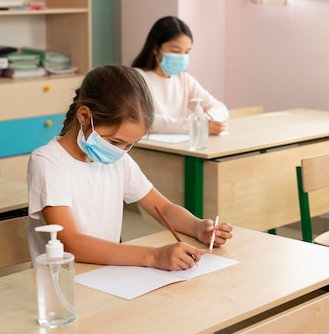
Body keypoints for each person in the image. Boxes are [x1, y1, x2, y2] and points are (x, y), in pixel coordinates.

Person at [27, 65, 233, 270]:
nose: (119, 151)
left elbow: (163, 208)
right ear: (84, 117)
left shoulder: (117, 159)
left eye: (129, 145)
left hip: (104, 276)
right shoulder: (48, 162)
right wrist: (154, 256)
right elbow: (73, 243)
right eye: (115, 141)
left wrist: (197, 227)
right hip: (60, 283)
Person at [131, 15, 228, 135]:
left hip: (178, 147)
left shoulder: (183, 79)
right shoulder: (137, 78)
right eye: (175, 51)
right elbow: (146, 121)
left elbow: (219, 107)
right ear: (155, 48)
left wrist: (209, 120)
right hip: (149, 149)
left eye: (187, 52)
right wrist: (196, 125)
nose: (182, 57)